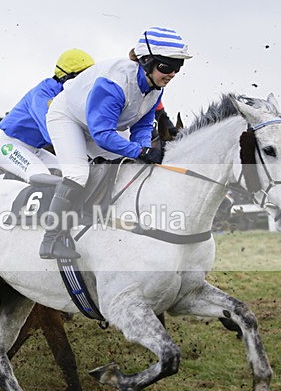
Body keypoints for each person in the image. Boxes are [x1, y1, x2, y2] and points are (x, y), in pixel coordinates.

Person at [39, 25, 192, 259]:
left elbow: (142, 126)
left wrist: (144, 150)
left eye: (177, 68)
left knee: (129, 166)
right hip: (68, 119)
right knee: (78, 173)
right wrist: (140, 151)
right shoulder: (115, 84)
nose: (171, 74)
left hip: (97, 125)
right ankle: (51, 239)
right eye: (166, 67)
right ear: (146, 61)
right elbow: (102, 134)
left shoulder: (155, 88)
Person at [0, 48, 95, 181]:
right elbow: (53, 133)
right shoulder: (43, 95)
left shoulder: (69, 94)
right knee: (40, 174)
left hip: (36, 150)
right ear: (66, 77)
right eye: (82, 76)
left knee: (73, 174)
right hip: (10, 146)